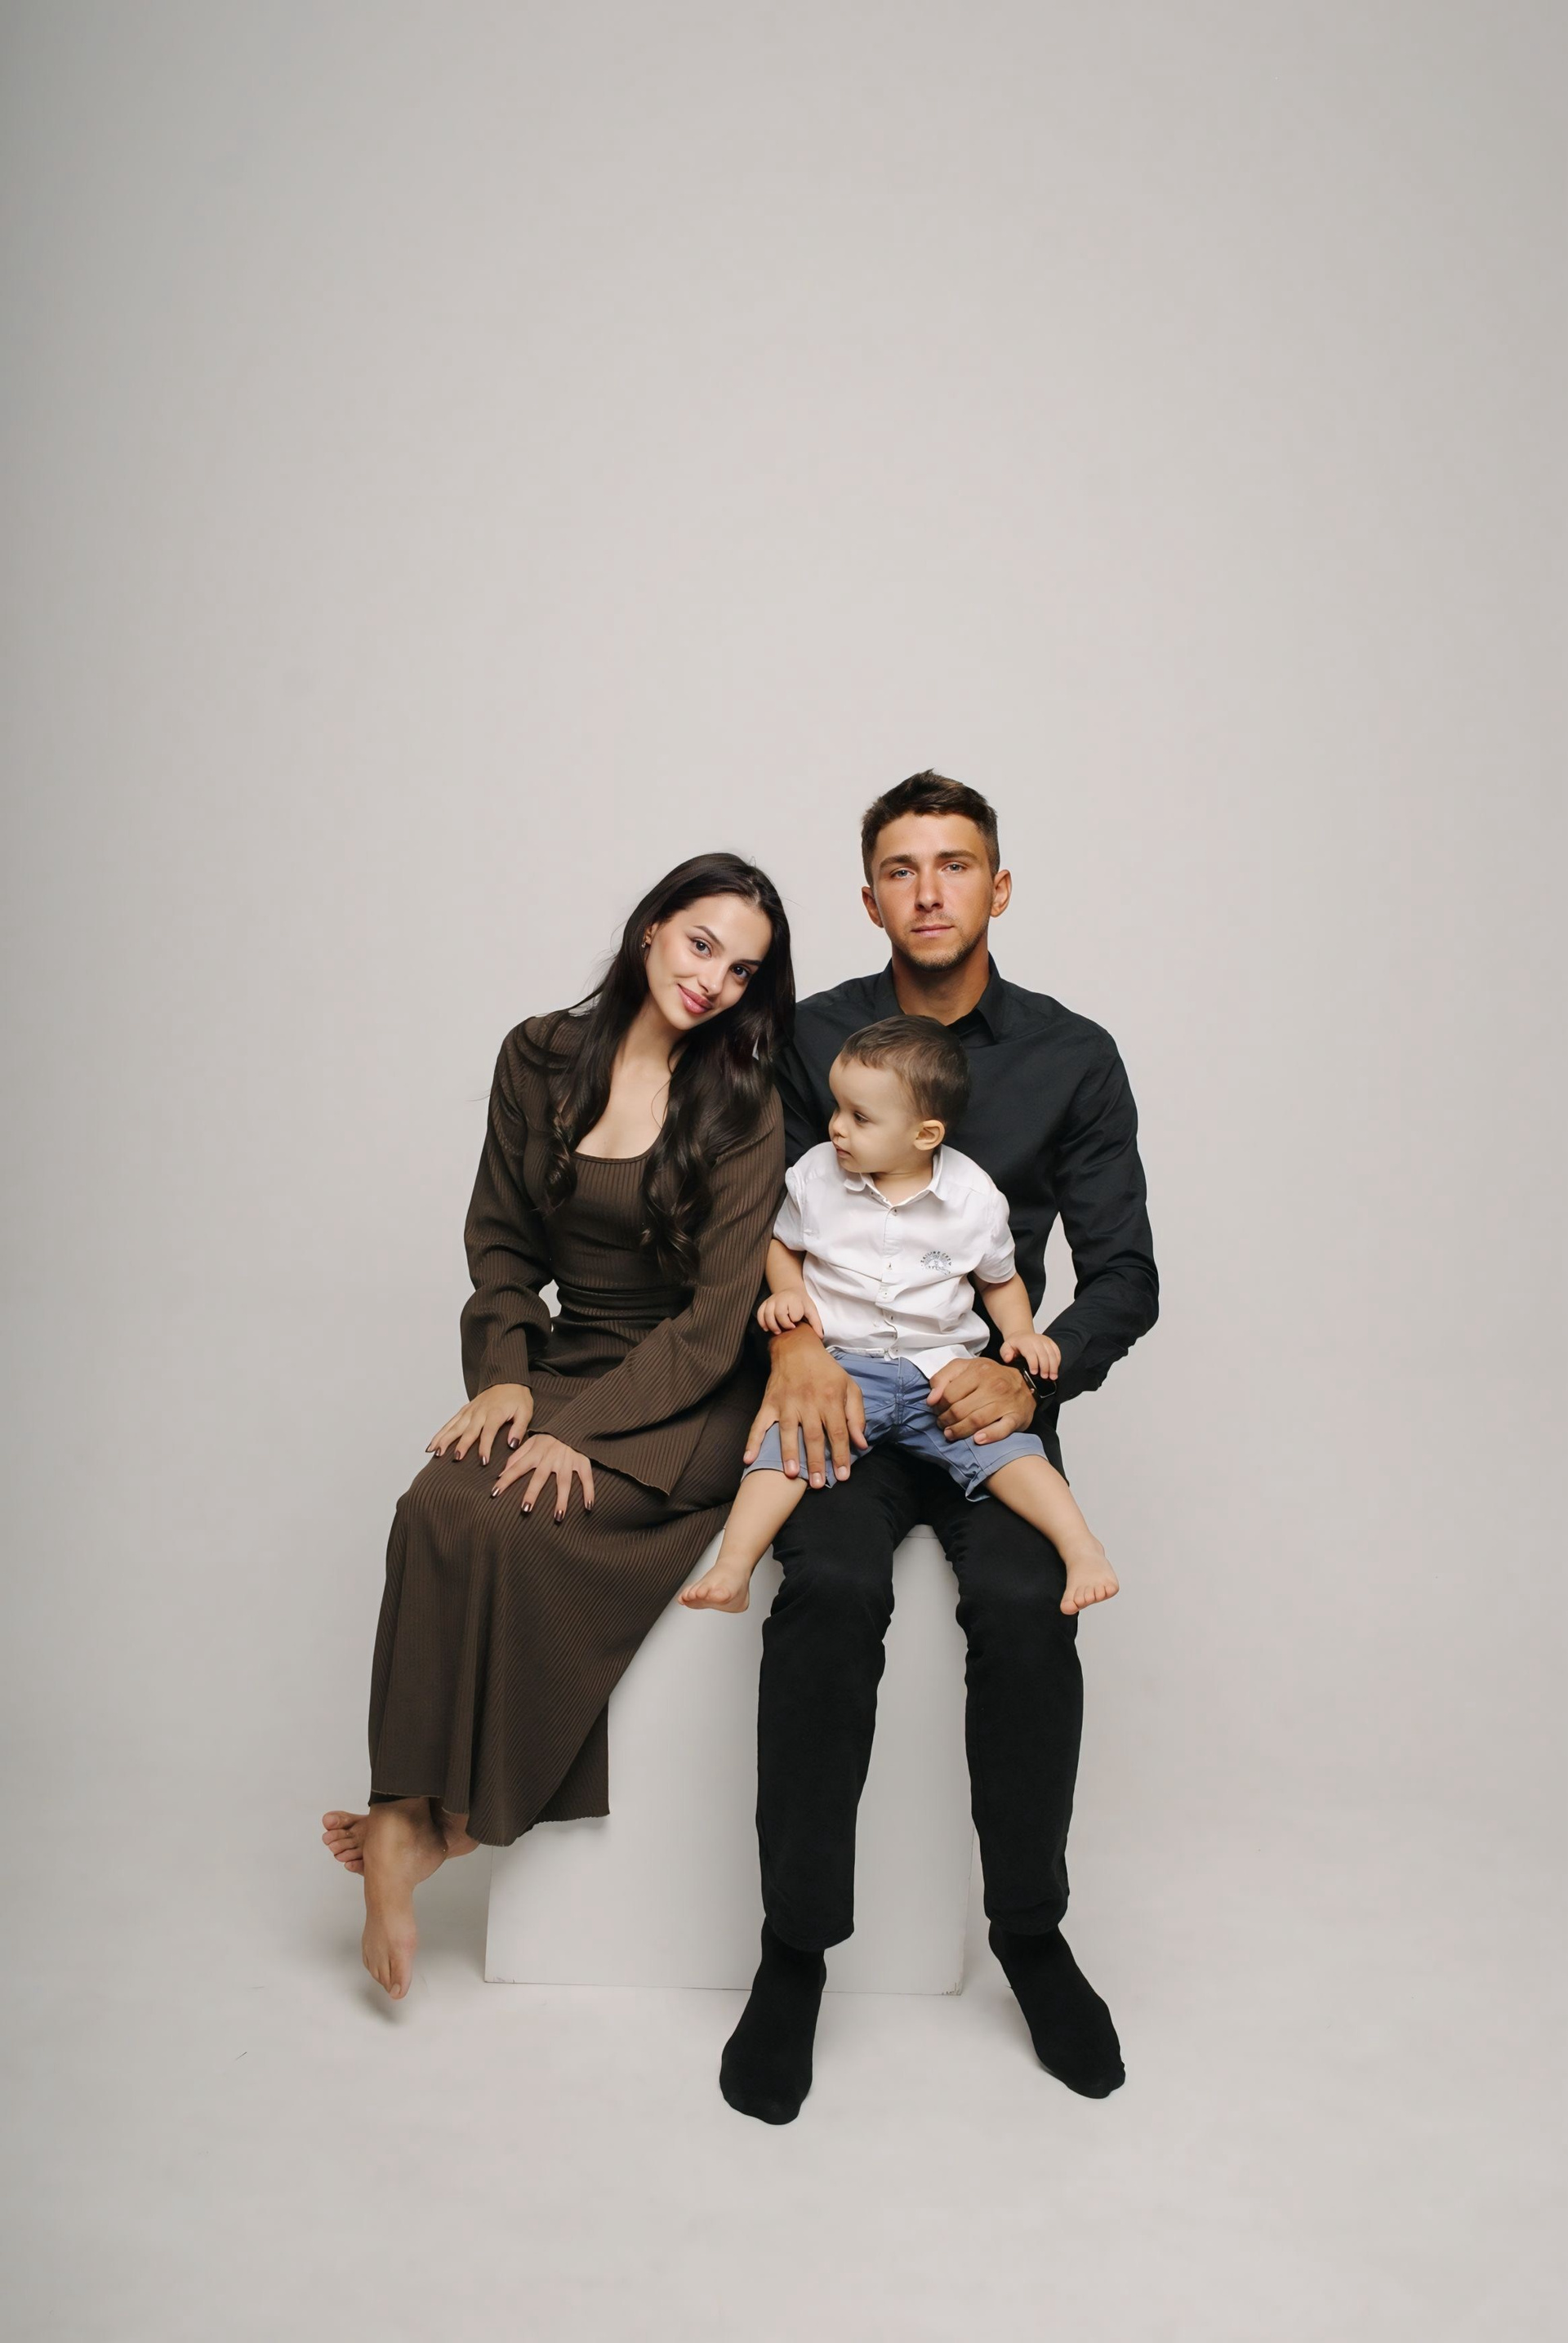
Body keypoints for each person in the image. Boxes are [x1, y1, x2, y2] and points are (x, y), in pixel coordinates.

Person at [715, 771, 1158, 2124]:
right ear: (869, 898)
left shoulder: (1074, 1056)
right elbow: (754, 1215)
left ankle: (1030, 1932)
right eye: (901, 868)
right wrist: (793, 1348)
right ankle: (795, 1951)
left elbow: (1125, 1275)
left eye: (954, 863)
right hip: (840, 1391)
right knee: (831, 1589)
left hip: (984, 1403)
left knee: (1028, 1604)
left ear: (997, 887)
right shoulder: (812, 1036)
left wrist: (1029, 1373)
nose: (928, 889)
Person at [320, 852, 791, 1999]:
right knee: (433, 1507)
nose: (714, 980)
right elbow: (499, 1239)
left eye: (743, 970)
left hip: (688, 1393)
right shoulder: (537, 1056)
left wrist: (584, 1433)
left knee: (520, 1516)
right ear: (651, 928)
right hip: (566, 1360)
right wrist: (506, 1376)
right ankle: (404, 1809)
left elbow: (716, 1321)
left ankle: (450, 1823)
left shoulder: (743, 1103)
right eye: (702, 944)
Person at [681, 1014, 1117, 1617]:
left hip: (940, 1373)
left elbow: (999, 1278)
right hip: (843, 1370)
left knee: (1011, 1450)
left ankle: (1082, 1549)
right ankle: (734, 1566)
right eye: (837, 1107)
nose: (836, 1126)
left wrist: (1020, 1332)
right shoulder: (816, 1175)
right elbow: (783, 1244)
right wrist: (788, 1294)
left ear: (925, 1134)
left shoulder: (973, 1199)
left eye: (859, 1117)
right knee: (786, 1449)